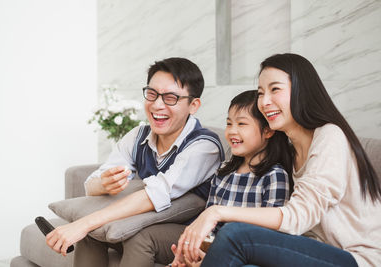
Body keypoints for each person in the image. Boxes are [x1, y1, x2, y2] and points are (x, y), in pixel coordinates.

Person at [175, 53, 381, 267]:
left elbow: (297, 217)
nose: (264, 102)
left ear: (302, 90)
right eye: (261, 93)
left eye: (275, 90)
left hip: (356, 259)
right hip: (313, 253)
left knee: (235, 233)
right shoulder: (291, 152)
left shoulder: (330, 136)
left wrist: (216, 212)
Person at [45, 57, 225, 265]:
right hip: (145, 221)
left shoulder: (204, 146)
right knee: (91, 232)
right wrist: (103, 183)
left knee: (129, 235)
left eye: (170, 98)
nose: (157, 105)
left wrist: (82, 224)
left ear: (193, 105)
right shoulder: (138, 135)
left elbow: (155, 194)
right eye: (152, 94)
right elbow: (92, 184)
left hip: (188, 232)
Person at [120, 90, 294, 267]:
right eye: (229, 123)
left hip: (244, 252)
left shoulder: (274, 176)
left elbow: (271, 238)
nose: (232, 131)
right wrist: (188, 252)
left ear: (267, 131)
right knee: (142, 237)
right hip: (213, 244)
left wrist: (212, 259)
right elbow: (208, 225)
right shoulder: (225, 171)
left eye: (242, 124)